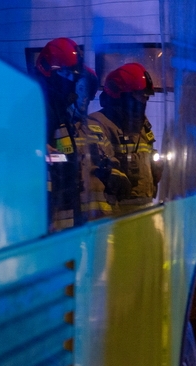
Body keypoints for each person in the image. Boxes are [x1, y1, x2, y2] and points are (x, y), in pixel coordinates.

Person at [84, 63, 161, 211]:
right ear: (121, 96)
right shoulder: (97, 124)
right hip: (114, 216)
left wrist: (155, 167)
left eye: (145, 97)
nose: (144, 102)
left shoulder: (142, 127)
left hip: (144, 211)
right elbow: (100, 162)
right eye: (139, 96)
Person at [34, 37, 85, 231]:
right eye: (66, 73)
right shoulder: (38, 107)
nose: (71, 80)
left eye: (73, 75)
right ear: (50, 71)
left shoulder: (59, 107)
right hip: (48, 212)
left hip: (65, 205)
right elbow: (34, 155)